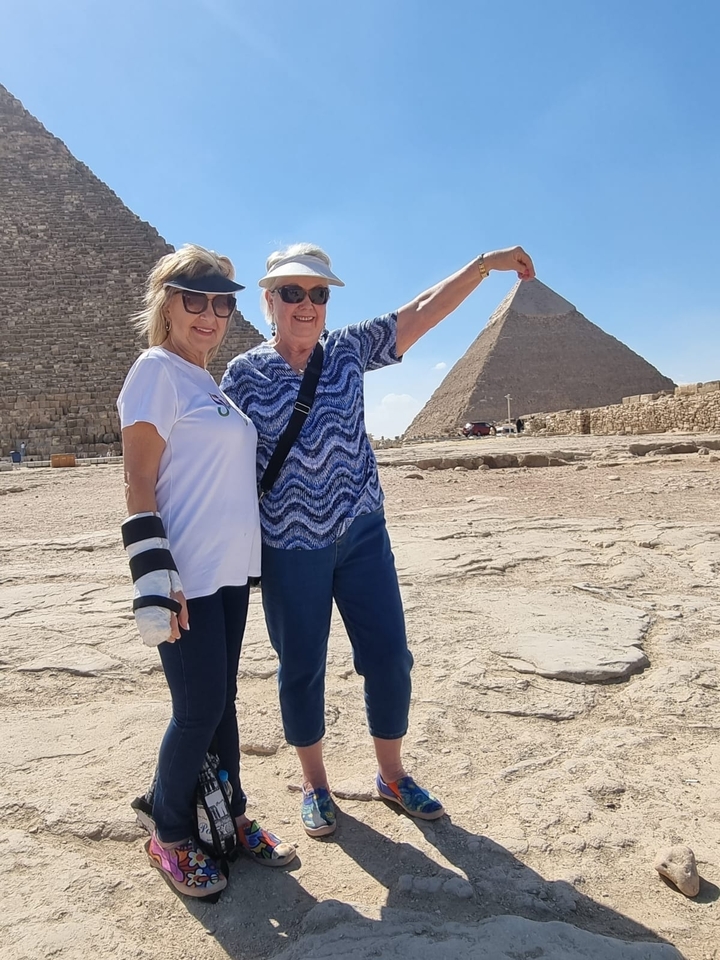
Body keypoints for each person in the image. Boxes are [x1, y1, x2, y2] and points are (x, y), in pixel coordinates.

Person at [221, 242, 535, 838]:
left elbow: (419, 311)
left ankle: (391, 774)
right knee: (301, 667)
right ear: (268, 301)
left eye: (318, 293)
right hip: (290, 547)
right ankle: (316, 785)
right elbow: (216, 461)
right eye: (292, 293)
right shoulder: (243, 374)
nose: (306, 304)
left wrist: (481, 266)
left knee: (390, 656)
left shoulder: (345, 351)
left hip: (362, 533)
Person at [118, 244, 296, 900]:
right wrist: (157, 578)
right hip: (186, 576)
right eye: (195, 298)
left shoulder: (206, 385)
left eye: (223, 302)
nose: (212, 314)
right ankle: (168, 834)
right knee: (195, 710)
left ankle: (233, 818)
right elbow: (138, 481)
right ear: (165, 300)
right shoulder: (155, 371)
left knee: (221, 703)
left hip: (226, 574)